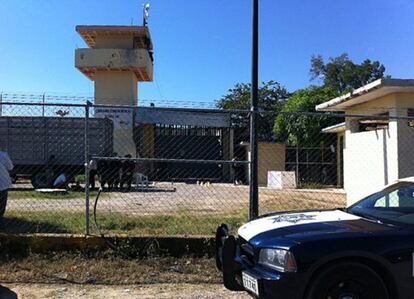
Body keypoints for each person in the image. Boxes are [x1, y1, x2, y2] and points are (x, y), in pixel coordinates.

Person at [0, 151, 14, 218]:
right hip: (2, 183)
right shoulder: (3, 155)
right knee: (2, 204)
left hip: (3, 183)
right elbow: (10, 167)